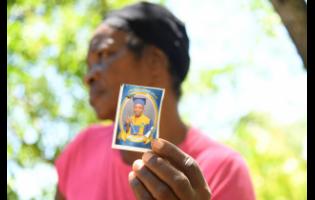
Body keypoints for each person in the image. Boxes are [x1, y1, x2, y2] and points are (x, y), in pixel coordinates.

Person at [55, 2, 256, 200]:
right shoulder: (81, 149)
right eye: (89, 65)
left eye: (104, 55)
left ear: (154, 62)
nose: (89, 76)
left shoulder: (222, 169)